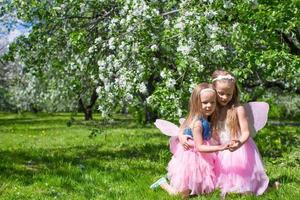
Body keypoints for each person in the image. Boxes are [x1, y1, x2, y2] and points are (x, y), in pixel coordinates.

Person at [150, 83, 228, 198]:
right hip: (191, 157)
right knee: (182, 195)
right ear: (196, 103)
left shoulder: (206, 118)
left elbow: (182, 128)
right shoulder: (197, 123)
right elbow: (200, 147)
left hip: (201, 156)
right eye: (205, 102)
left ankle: (195, 188)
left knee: (203, 190)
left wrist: (182, 135)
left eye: (212, 102)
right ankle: (163, 183)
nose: (209, 106)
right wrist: (221, 147)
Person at [211, 70, 269, 197]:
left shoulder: (238, 109)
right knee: (222, 182)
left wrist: (239, 143)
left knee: (246, 187)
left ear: (234, 92)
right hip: (222, 148)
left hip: (240, 147)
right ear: (213, 90)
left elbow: (246, 132)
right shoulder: (212, 109)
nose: (225, 97)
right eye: (221, 93)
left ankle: (265, 186)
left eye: (229, 94)